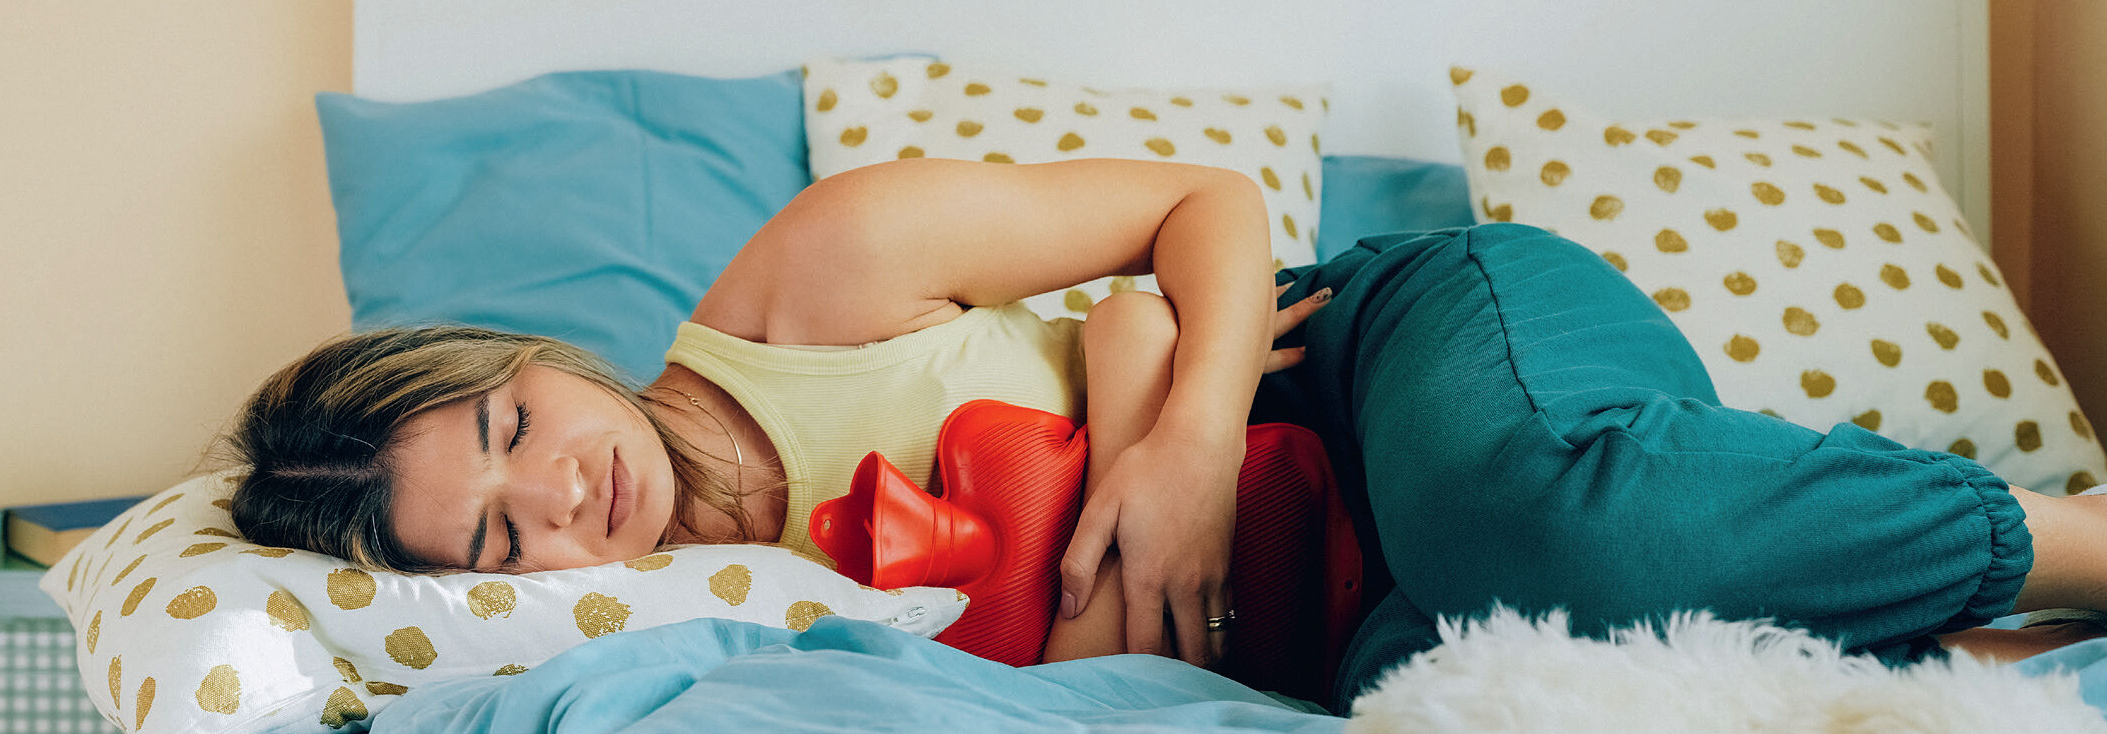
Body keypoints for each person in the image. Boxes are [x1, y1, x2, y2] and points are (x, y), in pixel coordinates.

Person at [221, 157, 2106, 712]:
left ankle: (2075, 540)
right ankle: (1971, 645)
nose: (561, 487)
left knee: (1540, 524)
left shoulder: (809, 280)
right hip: (1342, 609)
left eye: (510, 422)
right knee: (1525, 698)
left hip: (1367, 355)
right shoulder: (699, 642)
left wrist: (1188, 438)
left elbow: (1197, 213)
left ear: (525, 353)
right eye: (499, 538)